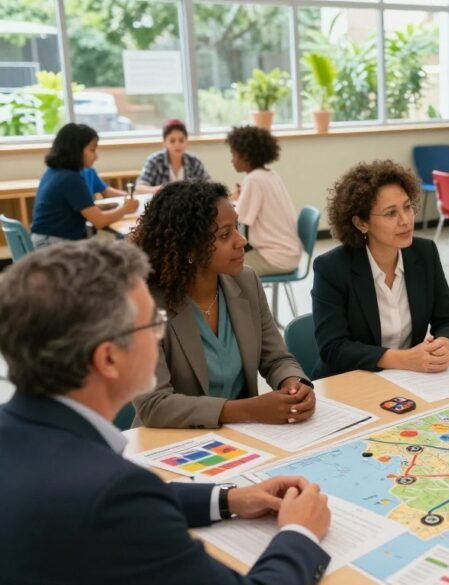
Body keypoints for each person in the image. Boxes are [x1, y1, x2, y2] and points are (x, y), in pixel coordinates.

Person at [0, 239, 331, 584]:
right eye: (152, 323)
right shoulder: (113, 492)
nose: (161, 332)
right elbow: (121, 504)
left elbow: (128, 501)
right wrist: (300, 533)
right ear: (109, 358)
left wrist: (229, 498)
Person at [131, 180, 315, 429]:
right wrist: (250, 409)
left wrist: (294, 384)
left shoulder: (246, 281)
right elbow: (155, 405)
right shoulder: (144, 305)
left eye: (237, 228)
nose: (242, 242)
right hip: (172, 442)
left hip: (240, 437)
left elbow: (276, 359)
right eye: (225, 234)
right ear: (190, 249)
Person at [311, 161, 449, 377]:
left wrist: (443, 344)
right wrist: (403, 359)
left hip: (408, 379)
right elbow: (334, 348)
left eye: (407, 207)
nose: (405, 220)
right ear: (361, 223)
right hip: (349, 381)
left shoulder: (425, 253)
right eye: (391, 213)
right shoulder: (332, 268)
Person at [30, 123, 139, 248]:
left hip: (45, 240)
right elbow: (100, 221)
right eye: (92, 149)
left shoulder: (55, 172)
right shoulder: (70, 179)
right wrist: (125, 209)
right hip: (54, 244)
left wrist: (106, 206)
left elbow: (77, 208)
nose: (96, 156)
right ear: (75, 150)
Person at [226, 125, 302, 276]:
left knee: (220, 266)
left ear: (246, 156)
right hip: (289, 254)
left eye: (234, 154)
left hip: (275, 258)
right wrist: (236, 199)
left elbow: (237, 220)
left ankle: (240, 299)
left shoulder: (253, 180)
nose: (231, 160)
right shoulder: (270, 175)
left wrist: (229, 202)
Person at [135, 118, 211, 193]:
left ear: (186, 141)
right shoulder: (155, 161)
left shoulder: (194, 162)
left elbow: (209, 185)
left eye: (181, 140)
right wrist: (156, 190)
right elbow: (139, 187)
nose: (177, 145)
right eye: (172, 141)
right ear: (165, 142)